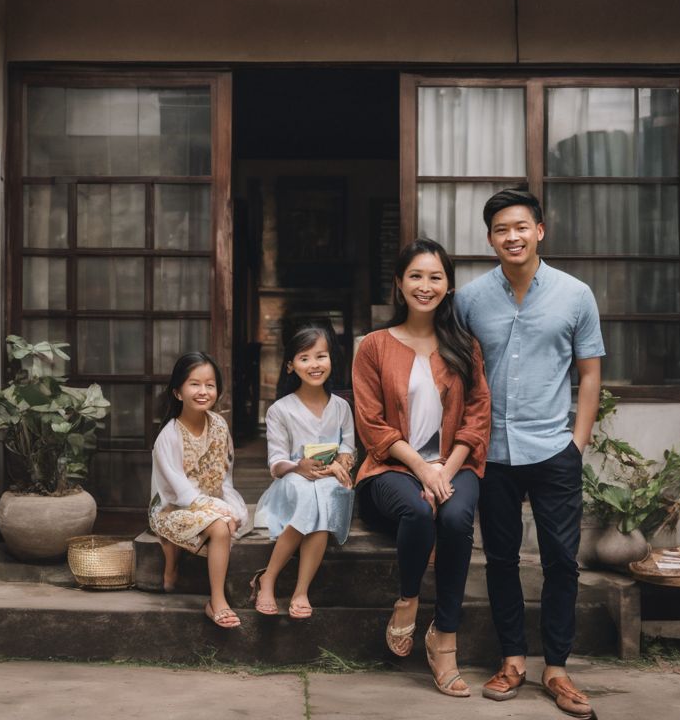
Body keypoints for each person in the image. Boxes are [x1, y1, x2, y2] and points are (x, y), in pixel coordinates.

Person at [455, 189, 604, 719]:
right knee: (500, 559)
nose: (511, 236)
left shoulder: (575, 295)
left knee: (562, 561)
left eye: (521, 226)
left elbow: (589, 375)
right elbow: (456, 377)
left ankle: (557, 668)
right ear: (490, 238)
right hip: (492, 453)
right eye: (500, 229)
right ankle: (513, 659)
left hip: (553, 450)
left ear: (540, 230)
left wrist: (576, 444)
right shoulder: (470, 300)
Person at [352, 238, 492, 698]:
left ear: (448, 286)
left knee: (454, 517)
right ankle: (409, 600)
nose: (425, 286)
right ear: (399, 284)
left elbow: (476, 418)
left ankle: (444, 639)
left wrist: (445, 471)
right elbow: (372, 425)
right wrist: (422, 469)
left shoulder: (464, 346)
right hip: (391, 466)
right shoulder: (373, 346)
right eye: (416, 276)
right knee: (416, 509)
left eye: (435, 277)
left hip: (455, 463)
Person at [250, 323, 356, 620]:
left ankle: (294, 587)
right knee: (312, 500)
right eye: (304, 358)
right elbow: (276, 464)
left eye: (320, 356)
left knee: (323, 496)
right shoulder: (280, 410)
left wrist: (340, 465)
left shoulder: (341, 407)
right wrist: (299, 466)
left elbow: (348, 447)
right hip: (293, 482)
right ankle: (273, 580)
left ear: (331, 359)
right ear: (290, 366)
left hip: (332, 482)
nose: (314, 365)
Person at [148, 352, 251, 629]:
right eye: (194, 384)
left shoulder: (219, 425)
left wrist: (231, 508)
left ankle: (174, 555)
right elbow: (183, 495)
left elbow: (224, 478)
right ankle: (216, 601)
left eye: (210, 384)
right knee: (219, 528)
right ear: (178, 392)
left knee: (226, 523)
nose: (203, 391)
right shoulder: (168, 436)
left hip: (210, 503)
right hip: (173, 508)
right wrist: (222, 513)